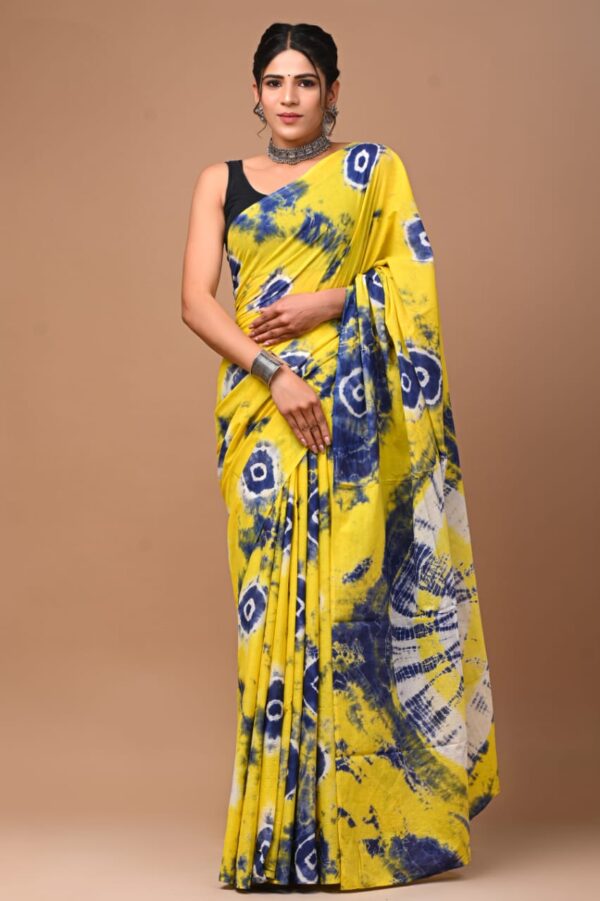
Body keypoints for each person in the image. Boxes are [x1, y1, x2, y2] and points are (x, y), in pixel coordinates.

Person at [181, 21, 500, 893]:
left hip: (356, 417)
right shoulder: (220, 181)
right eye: (275, 81)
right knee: (271, 626)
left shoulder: (372, 173)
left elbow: (411, 278)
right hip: (263, 417)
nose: (290, 96)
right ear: (255, 93)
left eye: (306, 81)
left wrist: (332, 301)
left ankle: (360, 835)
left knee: (350, 612)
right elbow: (196, 303)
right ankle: (275, 836)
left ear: (332, 92)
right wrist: (275, 373)